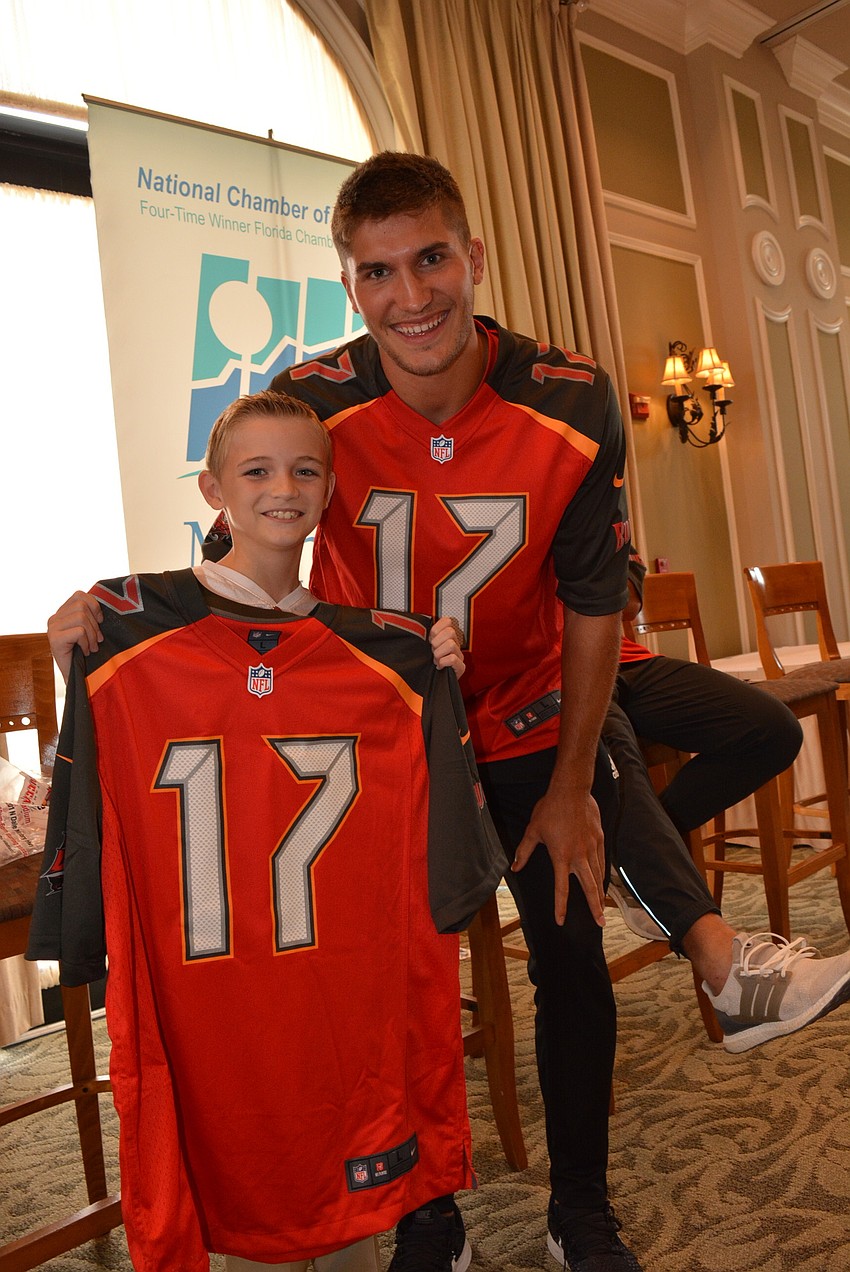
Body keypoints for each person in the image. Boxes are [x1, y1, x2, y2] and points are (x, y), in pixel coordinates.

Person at [49, 153, 636, 1272]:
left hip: (518, 716)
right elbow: (242, 550)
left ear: (473, 257)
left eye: (429, 260)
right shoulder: (314, 393)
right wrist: (112, 611)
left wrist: (569, 785)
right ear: (348, 283)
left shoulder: (572, 394)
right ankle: (425, 1210)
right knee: (385, 976)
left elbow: (595, 604)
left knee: (566, 947)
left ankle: (581, 1209)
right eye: (378, 272)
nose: (410, 295)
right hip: (386, 733)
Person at [34, 390, 507, 1272]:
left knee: (345, 1196)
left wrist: (432, 672)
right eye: (256, 471)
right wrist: (74, 657)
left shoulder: (391, 655)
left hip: (333, 981)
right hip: (205, 980)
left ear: (329, 490)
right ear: (214, 489)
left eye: (303, 470)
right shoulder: (127, 632)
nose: (281, 487)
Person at [602, 549, 850, 1053]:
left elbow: (625, 567)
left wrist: (620, 583)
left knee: (769, 729)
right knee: (613, 754)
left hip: (620, 657)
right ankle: (730, 980)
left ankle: (634, 861)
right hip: (548, 672)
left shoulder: (598, 475)